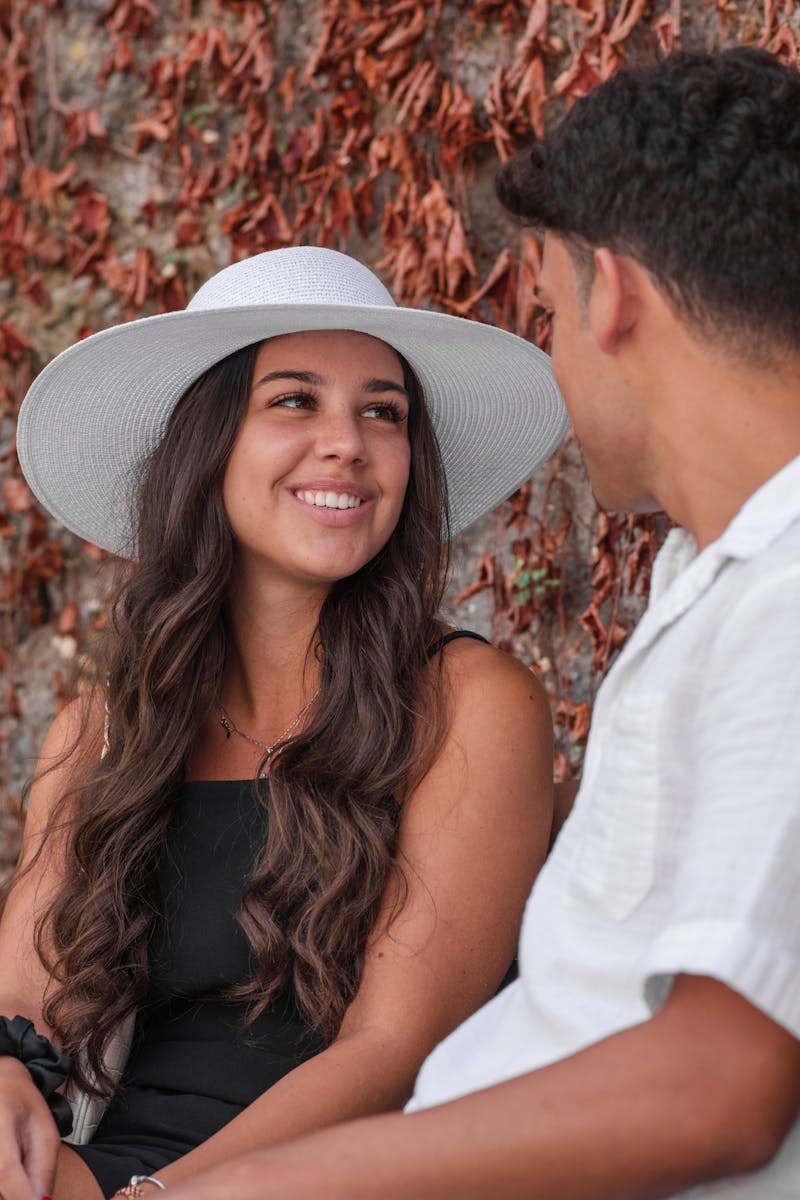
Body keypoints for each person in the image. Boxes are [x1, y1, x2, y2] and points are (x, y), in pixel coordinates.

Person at [154, 45, 800, 1200]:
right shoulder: (710, 579)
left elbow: (721, 1085)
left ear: (617, 298)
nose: (550, 356)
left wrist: (235, 1191)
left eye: (545, 308)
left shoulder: (782, 599)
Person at [1, 245, 568, 1200]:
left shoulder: (471, 703)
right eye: (295, 400)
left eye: (382, 412)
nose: (347, 441)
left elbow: (394, 1053)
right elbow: (25, 998)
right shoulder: (101, 733)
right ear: (210, 444)